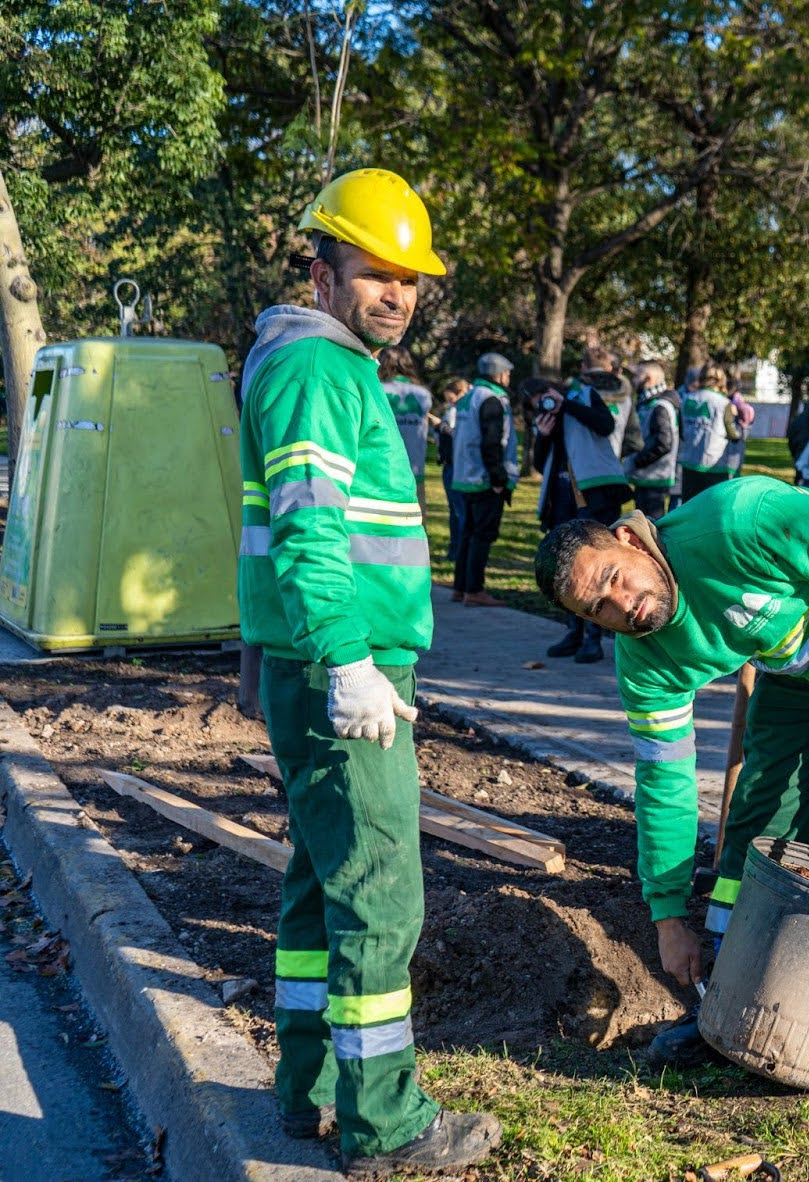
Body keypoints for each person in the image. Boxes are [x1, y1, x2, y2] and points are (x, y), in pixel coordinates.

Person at [532, 477, 809, 1083]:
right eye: (596, 610)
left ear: (630, 539)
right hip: (799, 670)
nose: (620, 607)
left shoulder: (740, 520)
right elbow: (665, 783)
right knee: (759, 818)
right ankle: (728, 991)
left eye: (612, 579)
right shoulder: (645, 659)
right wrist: (666, 917)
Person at [237, 168, 500, 1176]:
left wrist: (272, 656)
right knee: (381, 894)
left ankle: (304, 1088)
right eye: (374, 274)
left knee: (319, 885)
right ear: (321, 270)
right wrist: (346, 663)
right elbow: (306, 529)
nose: (396, 294)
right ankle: (386, 1126)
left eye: (410, 280)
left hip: (324, 666)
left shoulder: (325, 365)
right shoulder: (317, 368)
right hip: (348, 671)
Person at [533, 347, 638, 663]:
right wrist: (542, 433)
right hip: (562, 495)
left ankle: (593, 638)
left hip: (595, 493)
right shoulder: (569, 402)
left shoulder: (589, 397)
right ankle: (573, 633)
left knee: (598, 564)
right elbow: (541, 461)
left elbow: (604, 425)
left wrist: (570, 406)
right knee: (565, 567)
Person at [450, 353, 519, 607]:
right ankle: (474, 590)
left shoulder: (469, 396)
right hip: (484, 478)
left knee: (467, 533)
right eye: (508, 373)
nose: (509, 378)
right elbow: (492, 442)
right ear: (499, 374)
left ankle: (460, 587)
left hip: (464, 476)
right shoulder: (492, 399)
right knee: (482, 535)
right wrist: (498, 477)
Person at [678, 363, 753, 501]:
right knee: (711, 509)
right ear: (721, 380)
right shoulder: (724, 403)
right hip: (713, 465)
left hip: (689, 463)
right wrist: (745, 427)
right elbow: (734, 434)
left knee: (689, 509)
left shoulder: (686, 399)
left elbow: (681, 431)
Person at [377, 347, 432, 514]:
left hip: (381, 466)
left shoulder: (377, 389)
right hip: (415, 465)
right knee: (417, 516)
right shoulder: (423, 394)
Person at [625, 361, 681, 520]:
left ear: (648, 379)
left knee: (651, 527)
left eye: (637, 376)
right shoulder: (647, 404)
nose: (634, 380)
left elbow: (663, 442)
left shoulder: (659, 406)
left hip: (654, 477)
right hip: (646, 476)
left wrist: (639, 460)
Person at [436, 376, 470, 564]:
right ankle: (455, 549)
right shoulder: (454, 411)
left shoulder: (461, 412)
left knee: (459, 511)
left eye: (452, 399)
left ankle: (460, 550)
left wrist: (440, 426)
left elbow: (458, 437)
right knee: (454, 510)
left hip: (457, 466)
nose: (451, 403)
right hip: (449, 465)